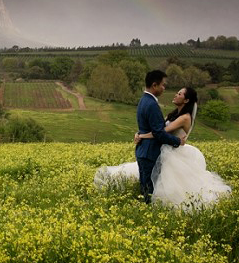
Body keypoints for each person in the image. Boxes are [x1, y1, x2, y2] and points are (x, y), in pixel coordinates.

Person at [95, 84, 231, 209]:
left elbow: (160, 133)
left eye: (179, 94)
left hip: (173, 152)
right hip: (162, 149)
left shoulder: (185, 118)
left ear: (186, 100)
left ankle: (152, 203)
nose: (175, 95)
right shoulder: (172, 115)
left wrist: (141, 136)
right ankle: (145, 198)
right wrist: (139, 133)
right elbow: (155, 128)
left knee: (168, 184)